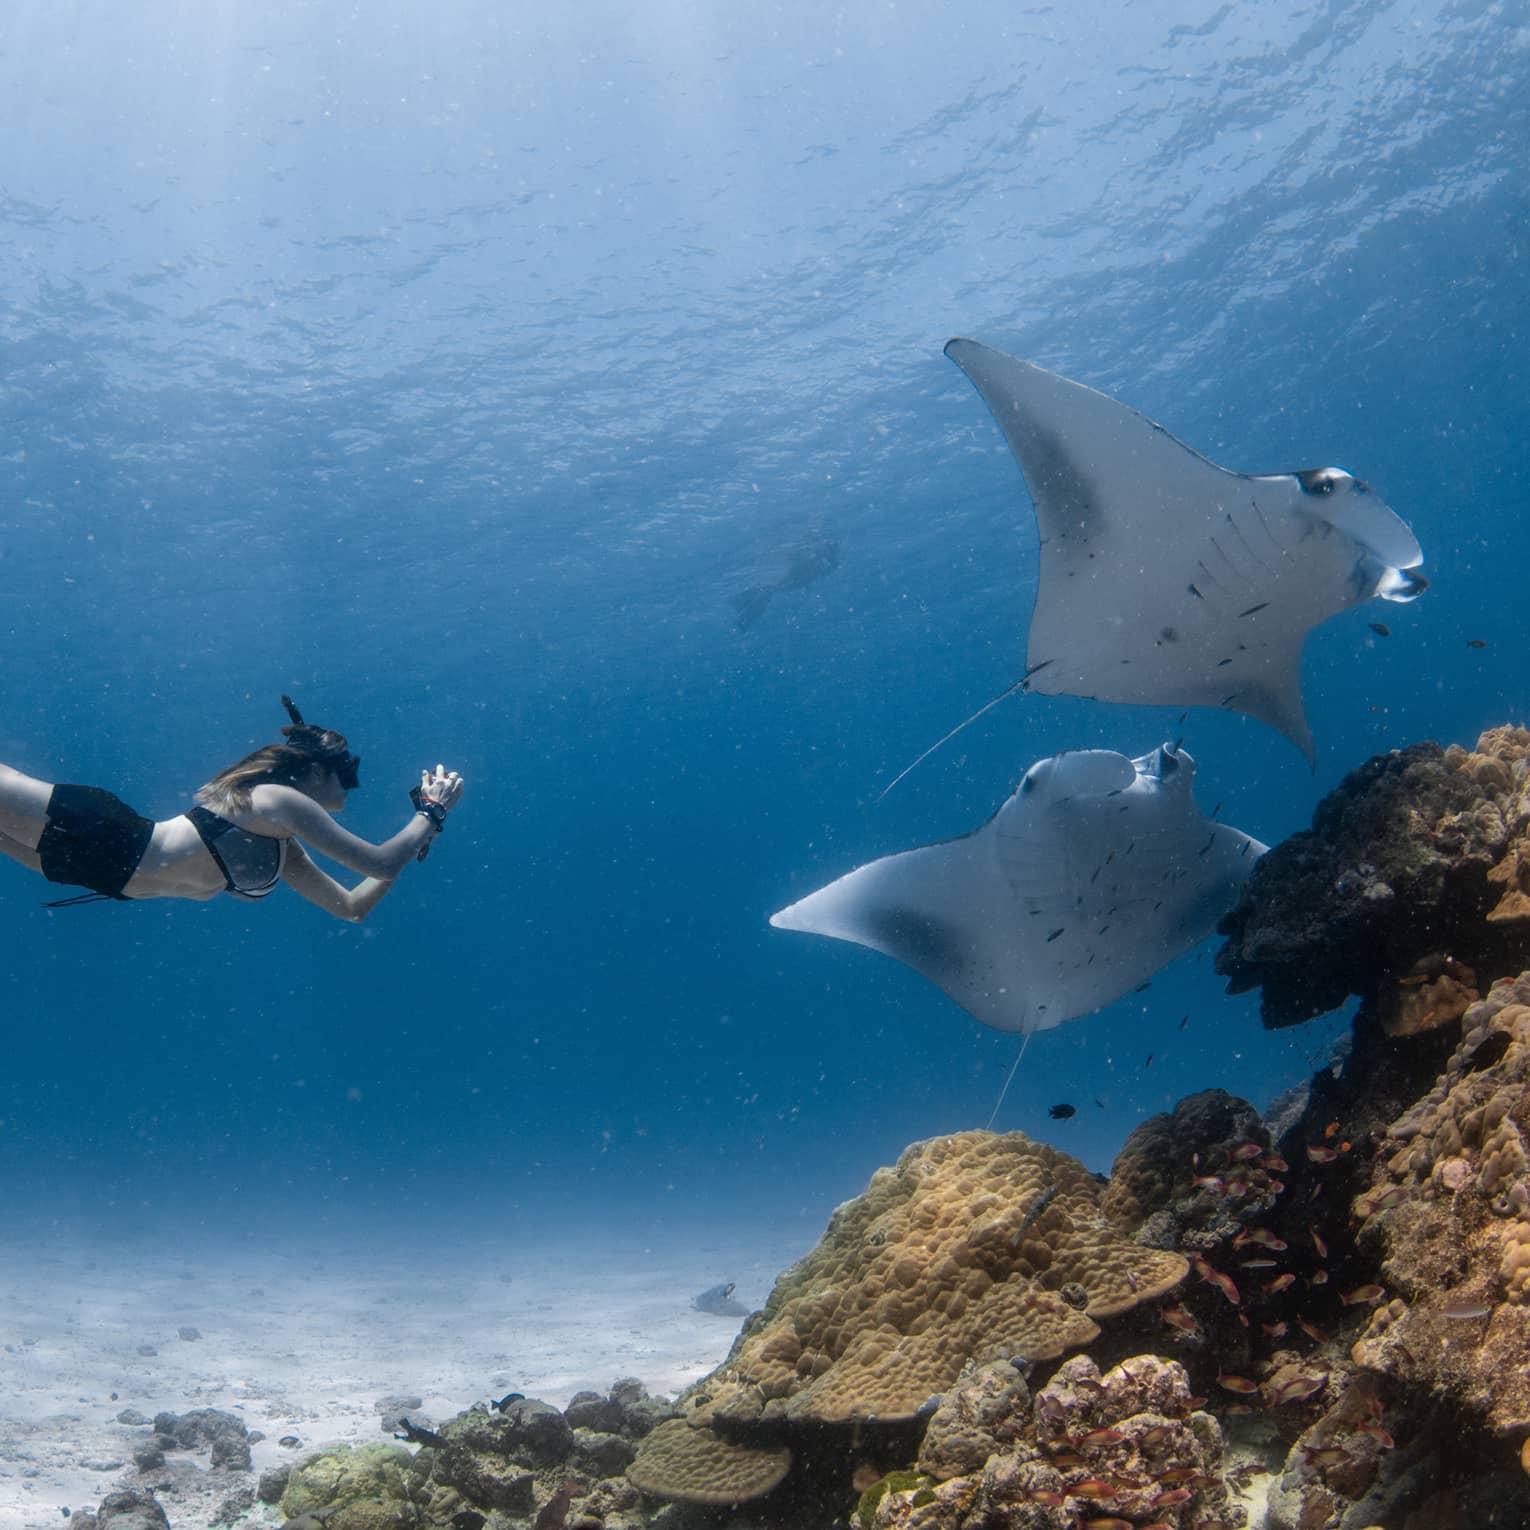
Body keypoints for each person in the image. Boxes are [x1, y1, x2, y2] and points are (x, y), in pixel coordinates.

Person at [0, 697, 464, 921]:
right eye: (346, 771)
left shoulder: (285, 851)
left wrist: (426, 834)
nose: (352, 785)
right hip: (109, 838)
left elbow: (351, 907)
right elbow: (379, 860)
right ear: (316, 772)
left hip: (93, 872)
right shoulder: (274, 799)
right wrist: (430, 813)